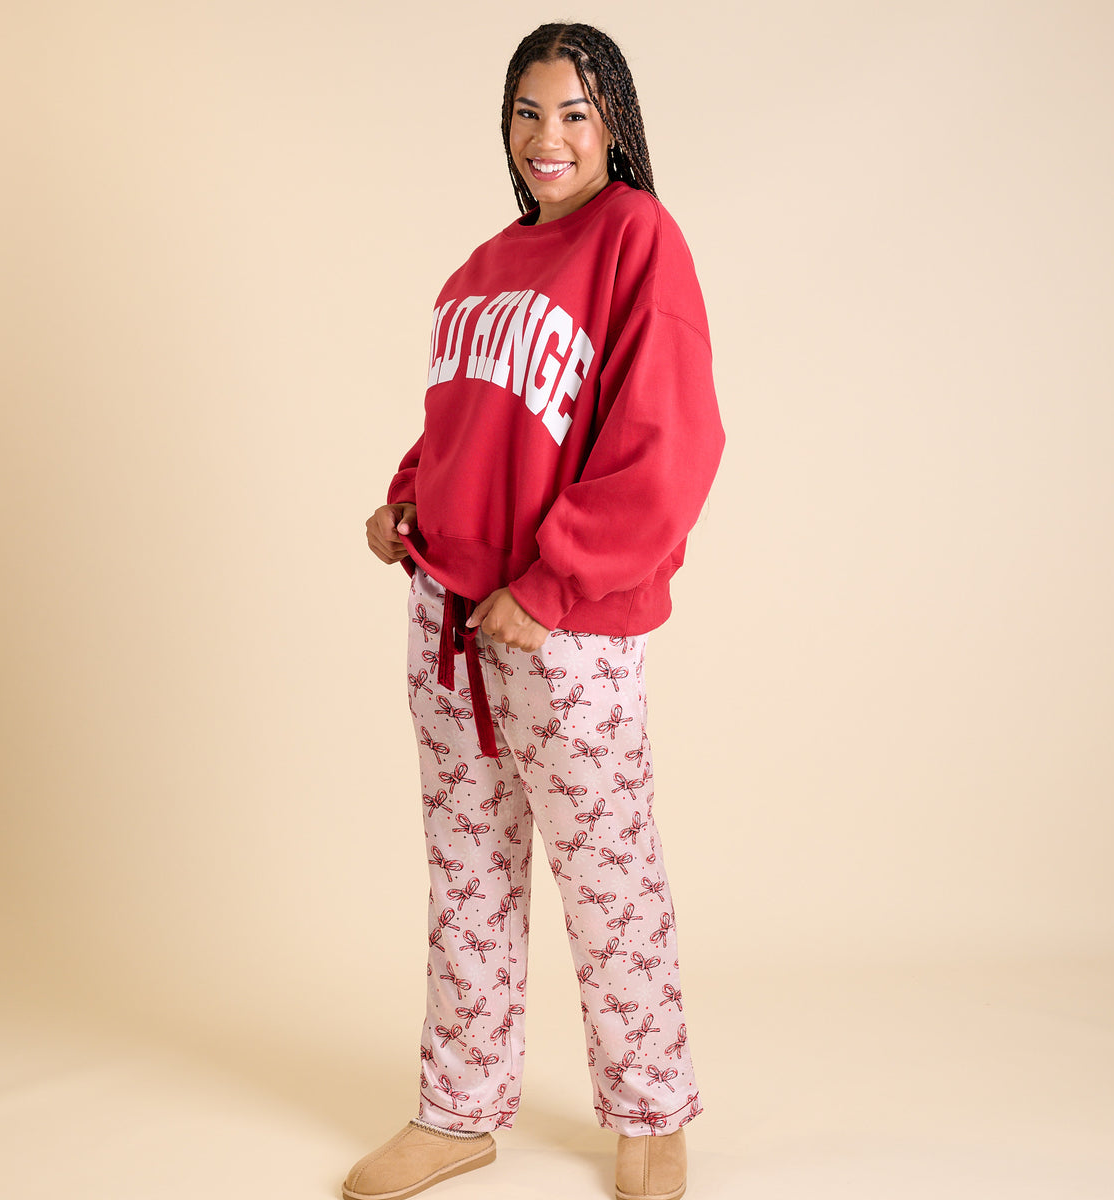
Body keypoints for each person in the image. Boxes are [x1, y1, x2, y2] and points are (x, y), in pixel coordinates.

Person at [346, 21, 724, 1200]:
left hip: (565, 626)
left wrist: (554, 582)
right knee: (467, 871)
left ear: (614, 121)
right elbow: (467, 424)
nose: (547, 137)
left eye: (573, 112)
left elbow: (670, 444)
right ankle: (458, 1110)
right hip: (449, 617)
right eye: (527, 112)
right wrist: (406, 502)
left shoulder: (639, 244)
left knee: (607, 872)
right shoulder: (482, 267)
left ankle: (653, 1121)